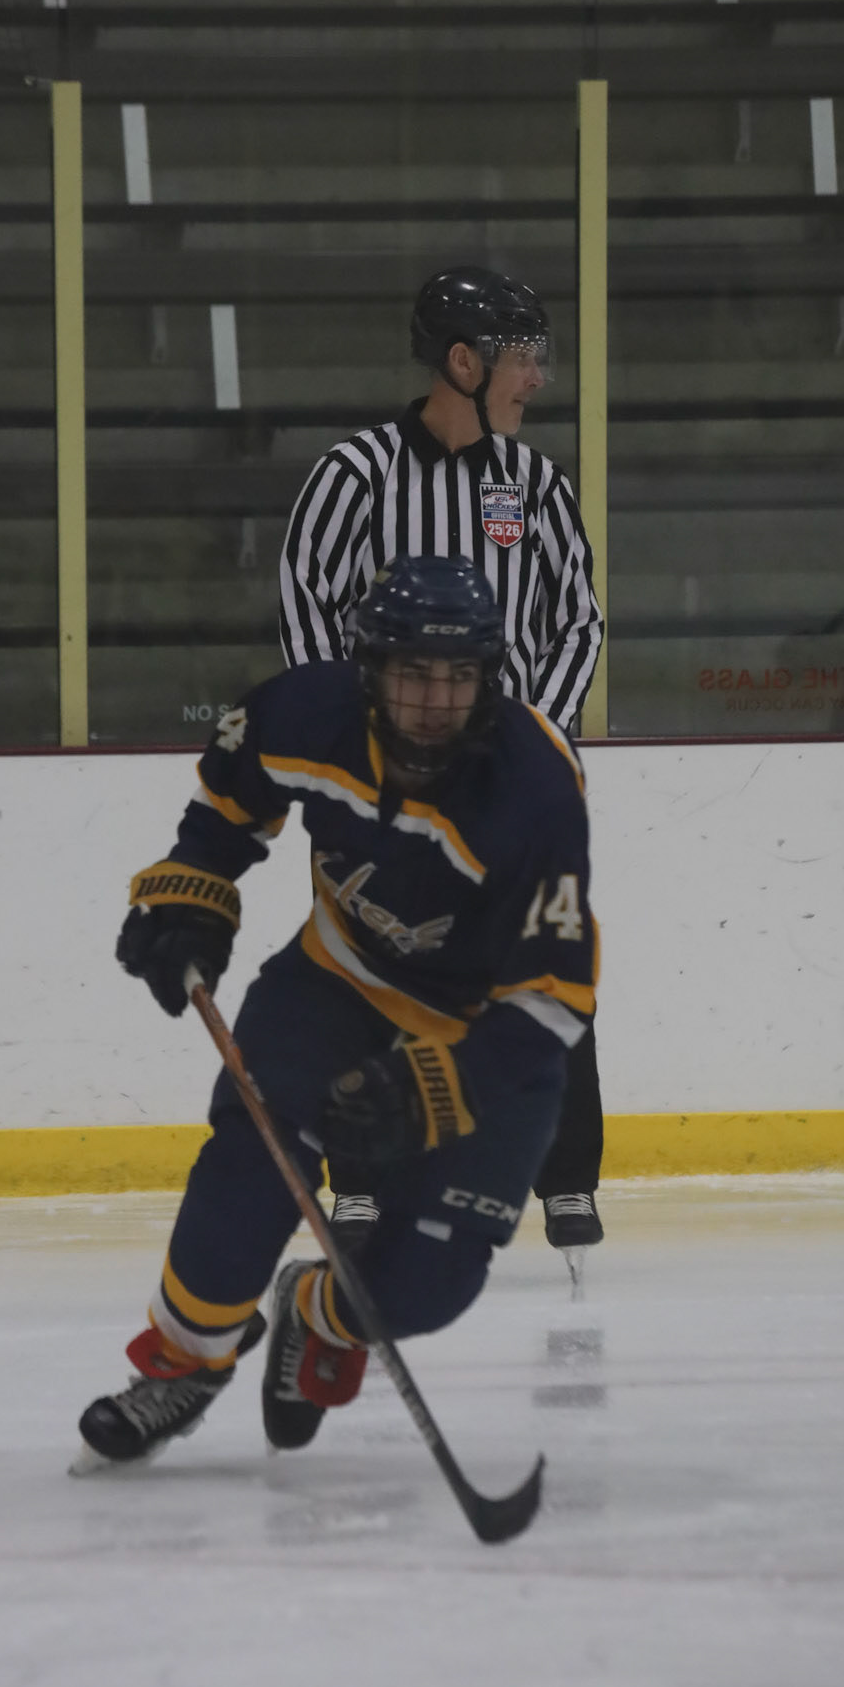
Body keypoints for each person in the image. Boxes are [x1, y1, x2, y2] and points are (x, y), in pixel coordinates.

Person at [75, 556, 597, 1469]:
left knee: (424, 1289)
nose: (434, 701)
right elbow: (226, 809)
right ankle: (184, 1365)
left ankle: (314, 1311)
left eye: (458, 675)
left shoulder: (535, 791)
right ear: (369, 672)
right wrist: (192, 895)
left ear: (487, 679)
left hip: (483, 1033)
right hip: (337, 981)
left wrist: (434, 1084)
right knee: (252, 1157)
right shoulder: (303, 713)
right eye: (412, 673)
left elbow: (552, 1003)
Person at [277, 265, 606, 1254]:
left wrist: (533, 740)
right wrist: (354, 742)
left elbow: (578, 619)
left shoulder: (534, 484)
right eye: (522, 357)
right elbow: (305, 601)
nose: (536, 378)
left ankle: (565, 1177)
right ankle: (361, 1175)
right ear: (462, 362)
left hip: (507, 777)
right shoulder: (358, 474)